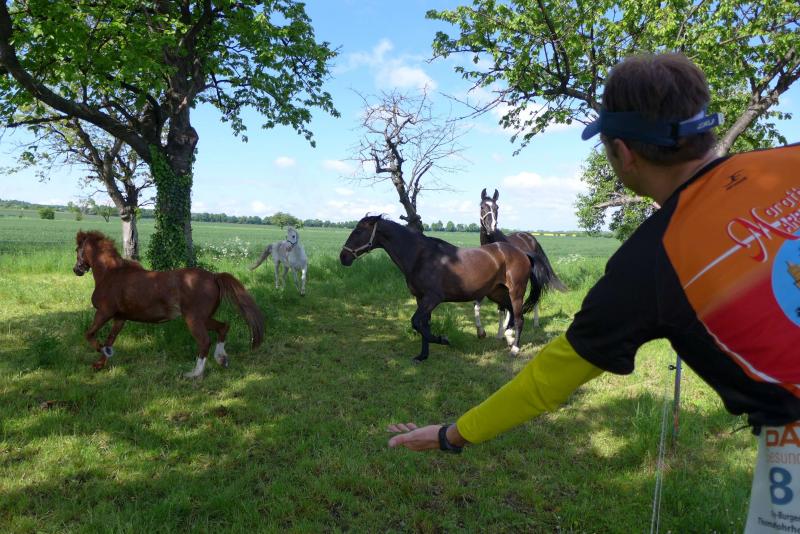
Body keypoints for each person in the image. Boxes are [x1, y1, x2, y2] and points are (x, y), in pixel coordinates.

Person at [386, 53, 800, 531]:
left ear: (624, 152)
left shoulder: (650, 261)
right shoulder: (788, 160)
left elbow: (546, 380)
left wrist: (451, 435)